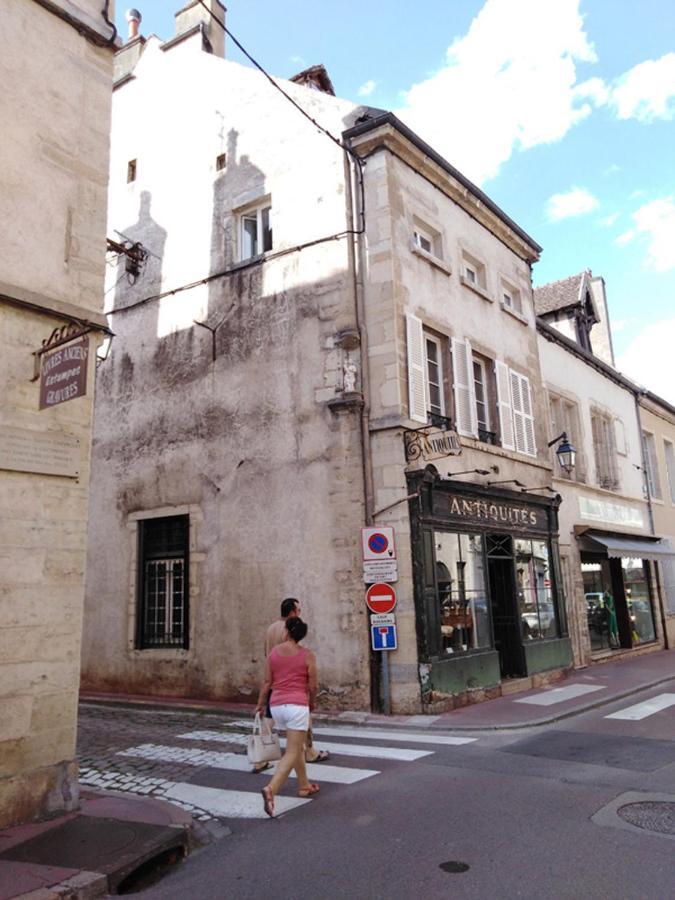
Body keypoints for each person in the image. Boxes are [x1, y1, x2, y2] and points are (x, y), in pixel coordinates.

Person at [254, 598, 329, 771]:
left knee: (268, 721)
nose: (300, 613)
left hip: (273, 680)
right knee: (304, 718)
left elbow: (266, 652)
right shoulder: (290, 628)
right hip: (289, 682)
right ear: (292, 612)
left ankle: (260, 759)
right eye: (298, 610)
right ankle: (309, 752)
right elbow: (293, 654)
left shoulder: (270, 628)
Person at [256, 616, 318, 817]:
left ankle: (304, 785)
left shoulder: (274, 653)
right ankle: (271, 789)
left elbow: (267, 682)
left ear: (287, 632)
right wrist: (312, 702)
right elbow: (313, 685)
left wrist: (260, 704)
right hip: (297, 705)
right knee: (292, 751)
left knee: (297, 745)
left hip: (277, 705)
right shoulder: (307, 655)